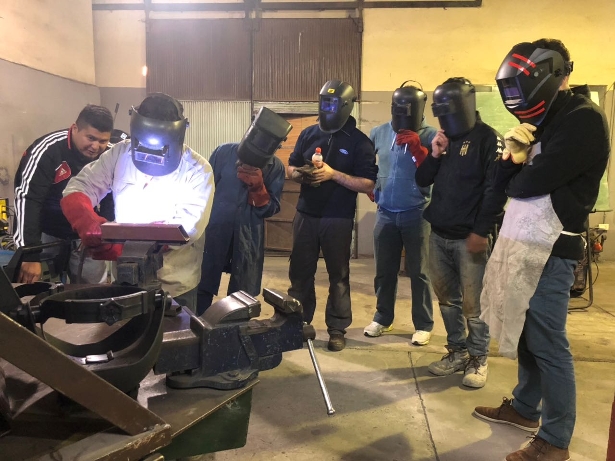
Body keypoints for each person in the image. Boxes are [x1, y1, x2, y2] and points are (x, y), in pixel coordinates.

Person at [475, 39, 610, 461]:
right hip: (523, 241)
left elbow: (527, 184)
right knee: (526, 336)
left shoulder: (582, 119)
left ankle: (555, 439)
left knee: (548, 343)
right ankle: (523, 408)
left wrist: (517, 167)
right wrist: (510, 163)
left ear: (558, 76)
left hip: (553, 247)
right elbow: (502, 181)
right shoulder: (542, 120)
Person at [60, 93, 215, 311]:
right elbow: (79, 187)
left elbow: (188, 228)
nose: (150, 153)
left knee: (176, 332)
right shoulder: (119, 154)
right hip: (125, 281)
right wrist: (88, 222)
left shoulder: (198, 170)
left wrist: (123, 247)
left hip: (175, 285)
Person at [415, 77, 506, 388]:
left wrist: (481, 232)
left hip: (470, 239)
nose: (444, 119)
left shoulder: (488, 140)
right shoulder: (444, 140)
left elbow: (495, 192)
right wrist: (434, 153)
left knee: (474, 306)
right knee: (447, 301)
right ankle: (457, 352)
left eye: (447, 112)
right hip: (439, 234)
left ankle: (478, 358)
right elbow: (422, 180)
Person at [287, 80, 377, 352]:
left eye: (333, 104)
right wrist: (301, 174)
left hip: (337, 218)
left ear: (346, 106)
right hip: (306, 215)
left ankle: (337, 329)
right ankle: (298, 324)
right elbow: (290, 167)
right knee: (300, 273)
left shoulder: (359, 142)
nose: (327, 108)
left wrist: (333, 174)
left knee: (338, 276)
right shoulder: (308, 134)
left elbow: (368, 183)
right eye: (324, 102)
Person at [363, 81, 437, 346]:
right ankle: (383, 318)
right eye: (398, 108)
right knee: (384, 271)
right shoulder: (379, 132)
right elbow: (367, 163)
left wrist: (418, 148)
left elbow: (433, 173)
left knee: (419, 272)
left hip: (417, 213)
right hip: (385, 212)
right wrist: (372, 185)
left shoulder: (431, 135)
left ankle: (424, 324)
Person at [196, 107, 290, 315]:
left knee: (243, 293)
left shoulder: (275, 167)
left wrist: (258, 189)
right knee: (203, 283)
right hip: (215, 232)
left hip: (248, 237)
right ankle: (197, 326)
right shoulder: (223, 153)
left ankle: (235, 330)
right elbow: (204, 191)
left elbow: (271, 208)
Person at [13, 104, 114, 284]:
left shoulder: (111, 155)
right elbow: (28, 199)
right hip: (45, 233)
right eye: (90, 138)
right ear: (74, 128)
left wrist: (103, 235)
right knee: (39, 291)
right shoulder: (46, 151)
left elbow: (111, 200)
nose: (95, 146)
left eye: (102, 141)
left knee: (94, 293)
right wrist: (29, 254)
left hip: (86, 234)